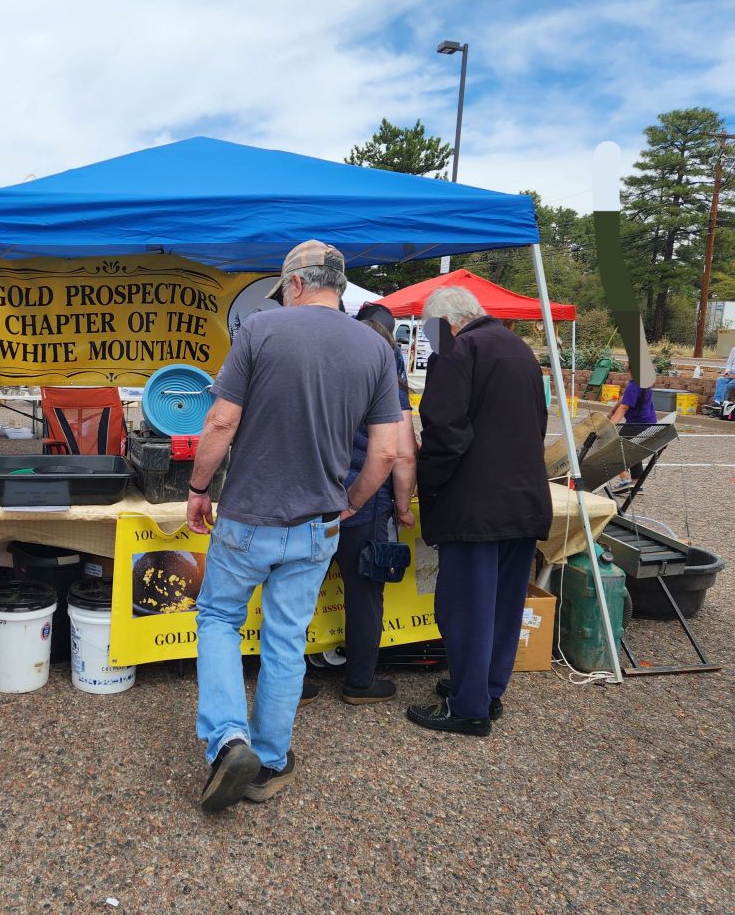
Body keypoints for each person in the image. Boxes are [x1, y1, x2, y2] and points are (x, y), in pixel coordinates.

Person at [186, 240, 400, 812]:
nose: (282, 299)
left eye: (284, 291)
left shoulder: (260, 330)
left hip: (248, 515)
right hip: (318, 524)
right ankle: (271, 759)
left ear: (298, 283)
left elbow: (221, 421)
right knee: (286, 638)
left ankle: (228, 739)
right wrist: (351, 502)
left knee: (219, 619)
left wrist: (199, 488)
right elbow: (386, 451)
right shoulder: (375, 347)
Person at [407, 287, 552, 737]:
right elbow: (538, 423)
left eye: (432, 331)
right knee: (504, 604)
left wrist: (427, 482)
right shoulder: (518, 347)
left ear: (445, 324)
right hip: (524, 498)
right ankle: (487, 690)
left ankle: (469, 708)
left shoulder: (457, 350)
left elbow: (444, 432)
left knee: (466, 606)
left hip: (474, 504)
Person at [333, 304, 417, 705]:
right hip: (364, 503)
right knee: (365, 594)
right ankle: (359, 682)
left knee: (295, 593)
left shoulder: (326, 377)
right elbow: (402, 455)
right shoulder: (389, 385)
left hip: (315, 497)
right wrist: (403, 508)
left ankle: (290, 683)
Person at [607, 372, 657, 488]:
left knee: (611, 446)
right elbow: (624, 399)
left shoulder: (634, 385)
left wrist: (611, 425)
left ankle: (625, 479)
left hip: (638, 424)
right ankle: (636, 483)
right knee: (633, 450)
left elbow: (624, 407)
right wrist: (611, 413)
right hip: (648, 423)